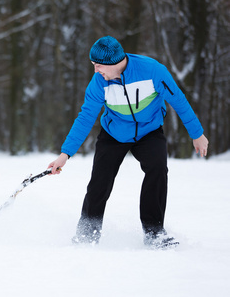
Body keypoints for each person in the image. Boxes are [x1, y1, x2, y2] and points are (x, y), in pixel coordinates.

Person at [47, 36, 208, 249]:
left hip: (149, 131)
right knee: (99, 182)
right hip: (114, 134)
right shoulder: (99, 83)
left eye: (98, 65)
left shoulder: (152, 71)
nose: (96, 71)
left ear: (114, 62)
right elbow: (85, 118)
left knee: (157, 169)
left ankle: (154, 233)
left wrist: (197, 133)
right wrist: (65, 153)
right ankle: (87, 235)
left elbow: (177, 99)